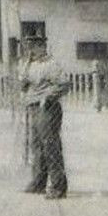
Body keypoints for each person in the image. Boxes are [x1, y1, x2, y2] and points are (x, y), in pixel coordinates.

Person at [19, 40, 70, 198]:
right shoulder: (28, 64)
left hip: (48, 108)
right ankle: (39, 182)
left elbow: (64, 84)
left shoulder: (51, 64)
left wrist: (48, 97)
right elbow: (24, 85)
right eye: (29, 47)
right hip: (33, 107)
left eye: (35, 47)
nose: (32, 50)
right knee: (37, 146)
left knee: (50, 146)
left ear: (43, 47)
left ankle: (58, 186)